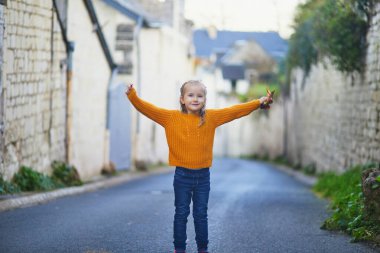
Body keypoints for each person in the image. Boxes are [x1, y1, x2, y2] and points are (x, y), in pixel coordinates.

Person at [125, 80, 273, 253]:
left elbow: (234, 111)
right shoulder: (170, 118)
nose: (195, 99)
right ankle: (179, 248)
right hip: (182, 176)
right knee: (181, 214)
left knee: (200, 215)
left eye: (200, 96)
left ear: (204, 99)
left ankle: (203, 248)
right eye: (190, 95)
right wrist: (132, 95)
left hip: (203, 177)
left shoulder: (211, 117)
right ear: (182, 99)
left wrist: (258, 102)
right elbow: (147, 109)